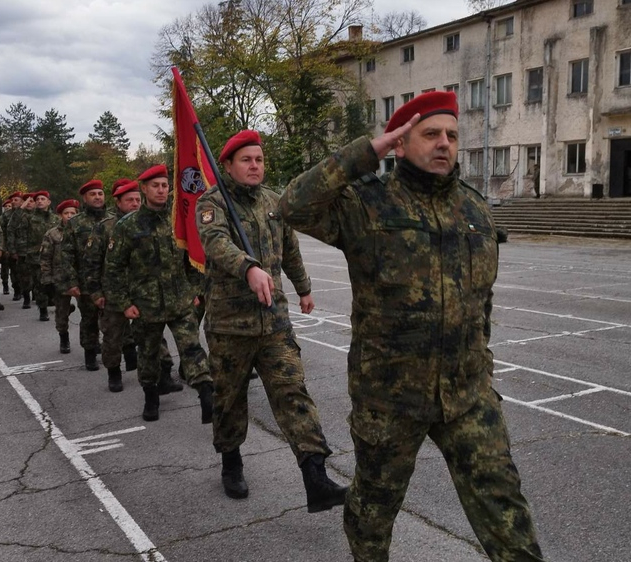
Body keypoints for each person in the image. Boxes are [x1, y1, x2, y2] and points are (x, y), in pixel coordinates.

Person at [279, 91, 545, 562]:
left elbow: (480, 305)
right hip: (391, 397)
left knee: (506, 510)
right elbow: (293, 206)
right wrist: (368, 152)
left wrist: (481, 372)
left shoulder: (475, 210)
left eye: (452, 135)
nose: (444, 143)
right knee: (373, 511)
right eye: (430, 134)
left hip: (467, 395)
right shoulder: (366, 204)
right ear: (401, 143)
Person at [195, 130, 346, 512]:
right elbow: (216, 244)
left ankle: (316, 478)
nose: (254, 166)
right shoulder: (212, 203)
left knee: (293, 393)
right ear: (227, 165)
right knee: (229, 401)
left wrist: (304, 287)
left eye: (259, 159)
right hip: (231, 327)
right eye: (246, 160)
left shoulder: (274, 202)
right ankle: (231, 463)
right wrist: (249, 268)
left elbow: (290, 249)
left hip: (274, 321)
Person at [104, 165, 213, 422]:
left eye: (165, 185)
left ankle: (207, 396)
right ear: (144, 189)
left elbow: (194, 258)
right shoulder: (127, 226)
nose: (161, 190)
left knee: (193, 349)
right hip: (145, 304)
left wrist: (194, 290)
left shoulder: (179, 221)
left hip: (180, 300)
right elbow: (114, 268)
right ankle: (150, 396)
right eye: (156, 185)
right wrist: (123, 303)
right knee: (149, 354)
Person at [58, 179, 108, 371]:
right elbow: (66, 254)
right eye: (93, 194)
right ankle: (90, 352)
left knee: (111, 319)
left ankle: (110, 352)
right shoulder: (75, 223)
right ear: (85, 198)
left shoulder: (111, 220)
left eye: (100, 193)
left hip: (110, 279)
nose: (97, 197)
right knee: (89, 318)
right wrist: (71, 282)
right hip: (86, 280)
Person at [41, 199, 79, 354]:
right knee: (61, 313)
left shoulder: (82, 231)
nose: (69, 216)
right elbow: (45, 258)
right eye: (66, 213)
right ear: (60, 215)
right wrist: (47, 279)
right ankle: (64, 338)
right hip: (60, 279)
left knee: (90, 313)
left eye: (73, 213)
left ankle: (93, 342)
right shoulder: (52, 234)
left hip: (80, 279)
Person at [20, 191, 60, 321]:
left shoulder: (55, 219)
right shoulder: (29, 217)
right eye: (37, 199)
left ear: (48, 202)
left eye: (43, 199)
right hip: (36, 256)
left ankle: (59, 306)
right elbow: (15, 225)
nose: (40, 201)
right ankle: (43, 310)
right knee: (40, 284)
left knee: (57, 283)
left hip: (55, 255)